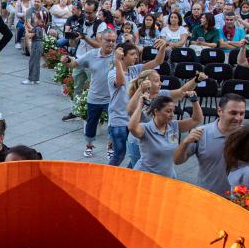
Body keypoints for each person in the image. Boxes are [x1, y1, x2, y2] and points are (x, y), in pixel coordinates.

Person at [107, 41, 168, 166]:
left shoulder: (135, 69)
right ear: (123, 56)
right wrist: (117, 61)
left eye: (136, 54)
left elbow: (157, 61)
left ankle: (130, 174)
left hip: (134, 120)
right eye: (132, 54)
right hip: (119, 120)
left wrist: (163, 48)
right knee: (119, 154)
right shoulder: (112, 73)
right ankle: (106, 176)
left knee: (136, 153)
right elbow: (120, 81)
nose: (136, 57)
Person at [174, 94, 248, 195]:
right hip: (208, 195)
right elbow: (177, 161)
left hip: (239, 199)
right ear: (219, 111)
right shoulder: (201, 133)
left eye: (242, 113)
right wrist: (185, 143)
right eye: (233, 113)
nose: (238, 118)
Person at [60, 28, 117, 158]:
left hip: (112, 99)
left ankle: (110, 147)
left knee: (113, 125)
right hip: (94, 97)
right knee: (91, 124)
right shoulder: (92, 54)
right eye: (108, 40)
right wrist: (67, 60)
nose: (111, 43)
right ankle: (89, 146)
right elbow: (75, 63)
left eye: (114, 41)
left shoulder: (117, 57)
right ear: (101, 40)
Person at [128, 93, 203, 178]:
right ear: (156, 111)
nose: (172, 115)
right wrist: (140, 105)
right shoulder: (146, 128)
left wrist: (194, 100)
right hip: (146, 177)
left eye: (173, 111)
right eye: (168, 111)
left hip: (167, 177)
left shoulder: (174, 126)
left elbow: (197, 119)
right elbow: (132, 127)